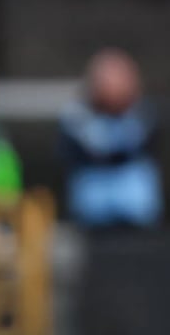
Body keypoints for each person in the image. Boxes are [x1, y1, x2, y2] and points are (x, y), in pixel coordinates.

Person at [58, 48, 161, 230]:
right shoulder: (77, 117)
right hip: (93, 197)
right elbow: (75, 152)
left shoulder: (142, 114)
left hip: (133, 202)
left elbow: (143, 147)